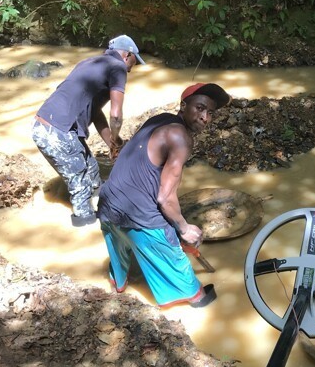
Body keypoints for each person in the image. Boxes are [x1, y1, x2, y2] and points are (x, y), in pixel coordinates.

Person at [96, 82, 230, 309]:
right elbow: (164, 198)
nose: (205, 117)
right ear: (183, 105)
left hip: (107, 206)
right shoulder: (181, 138)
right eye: (199, 108)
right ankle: (188, 298)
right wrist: (184, 229)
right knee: (198, 296)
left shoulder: (159, 120)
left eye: (210, 113)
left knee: (120, 261)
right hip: (137, 217)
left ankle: (118, 283)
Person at [32, 35, 144, 227]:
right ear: (126, 55)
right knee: (81, 186)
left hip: (51, 127)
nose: (132, 68)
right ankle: (85, 224)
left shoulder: (88, 63)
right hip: (56, 132)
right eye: (133, 62)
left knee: (92, 171)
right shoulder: (117, 67)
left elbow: (94, 112)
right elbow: (115, 115)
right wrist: (117, 137)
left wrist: (111, 142)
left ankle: (98, 205)